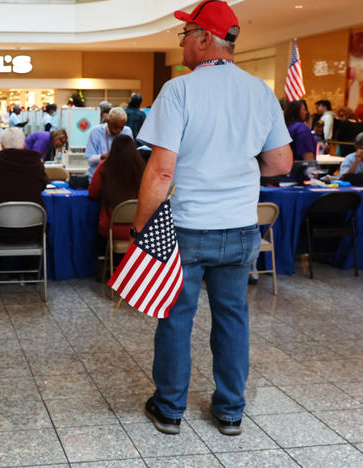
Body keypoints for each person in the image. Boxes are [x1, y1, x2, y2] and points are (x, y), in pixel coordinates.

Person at [134, 0, 292, 437]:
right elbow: (281, 162)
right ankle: (229, 411)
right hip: (240, 228)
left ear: (205, 39)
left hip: (187, 227)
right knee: (232, 318)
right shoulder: (259, 90)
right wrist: (235, 167)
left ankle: (169, 409)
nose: (181, 42)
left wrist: (142, 226)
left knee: (176, 318)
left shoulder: (180, 90)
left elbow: (161, 169)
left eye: (186, 34)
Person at [0, 127, 48, 245]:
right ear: (23, 144)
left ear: (2, 146)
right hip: (33, 229)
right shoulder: (36, 162)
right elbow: (43, 184)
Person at [88, 134, 145, 239]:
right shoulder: (141, 167)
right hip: (138, 228)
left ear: (113, 149)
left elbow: (93, 193)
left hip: (111, 228)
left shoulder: (104, 167)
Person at [84, 107, 134, 178]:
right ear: (107, 121)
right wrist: (103, 156)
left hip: (119, 178)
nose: (118, 131)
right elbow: (89, 159)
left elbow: (130, 157)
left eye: (121, 127)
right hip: (98, 178)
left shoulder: (127, 131)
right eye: (115, 127)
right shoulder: (95, 132)